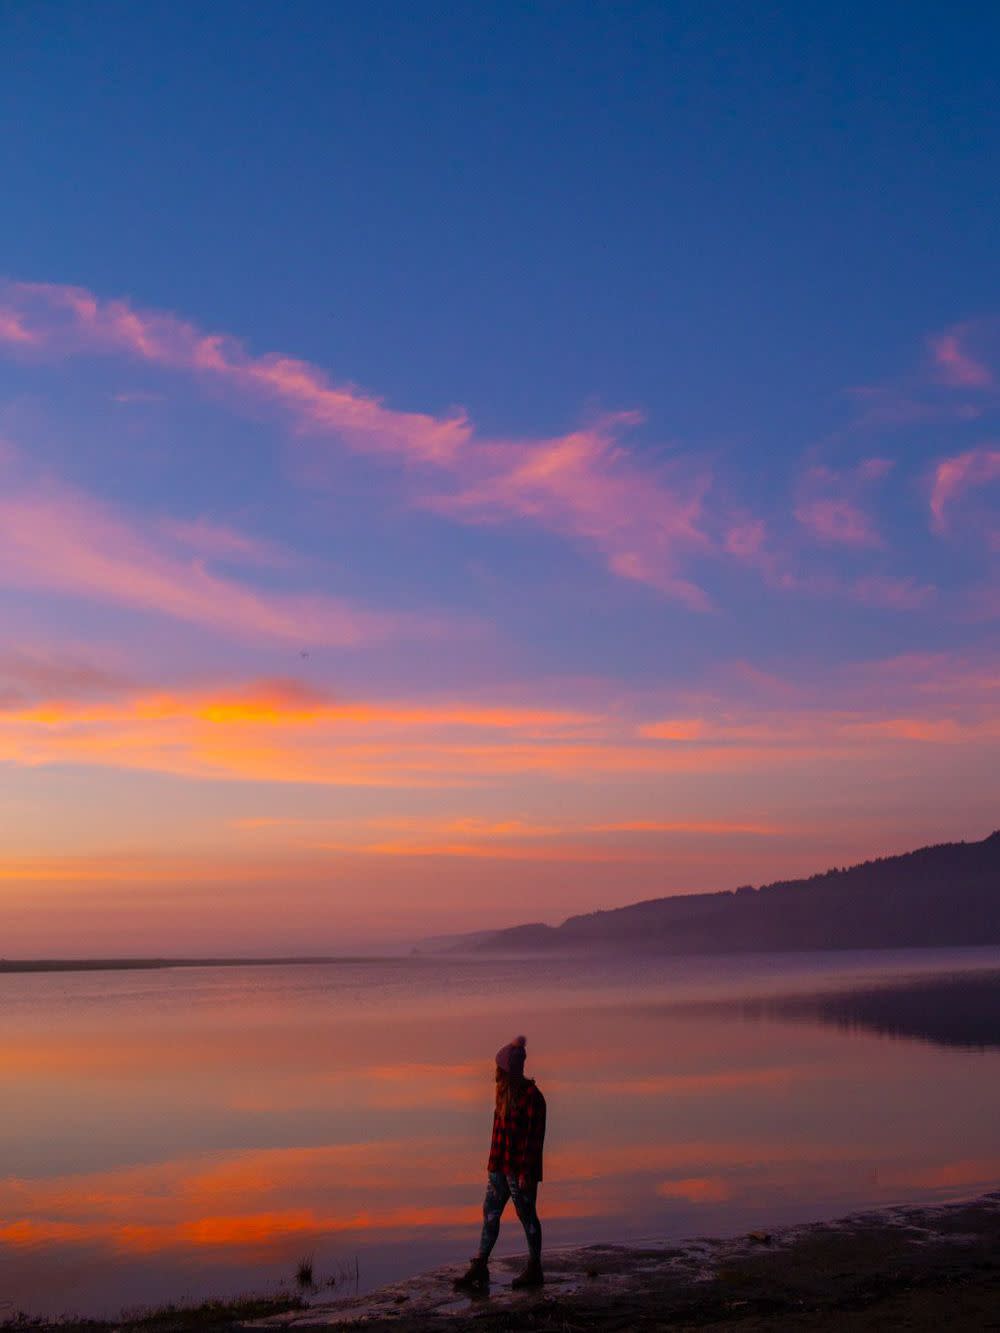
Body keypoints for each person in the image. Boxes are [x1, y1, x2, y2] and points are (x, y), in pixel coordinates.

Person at [454, 1034, 546, 1291]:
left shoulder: (532, 1097)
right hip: (499, 1169)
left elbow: (533, 1140)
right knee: (489, 1214)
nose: (496, 1074)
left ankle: (534, 1268)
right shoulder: (502, 1096)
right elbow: (497, 1136)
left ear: (508, 1070)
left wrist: (525, 1173)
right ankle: (480, 1265)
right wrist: (493, 1167)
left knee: (527, 1216)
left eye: (499, 1069)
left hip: (519, 1172)